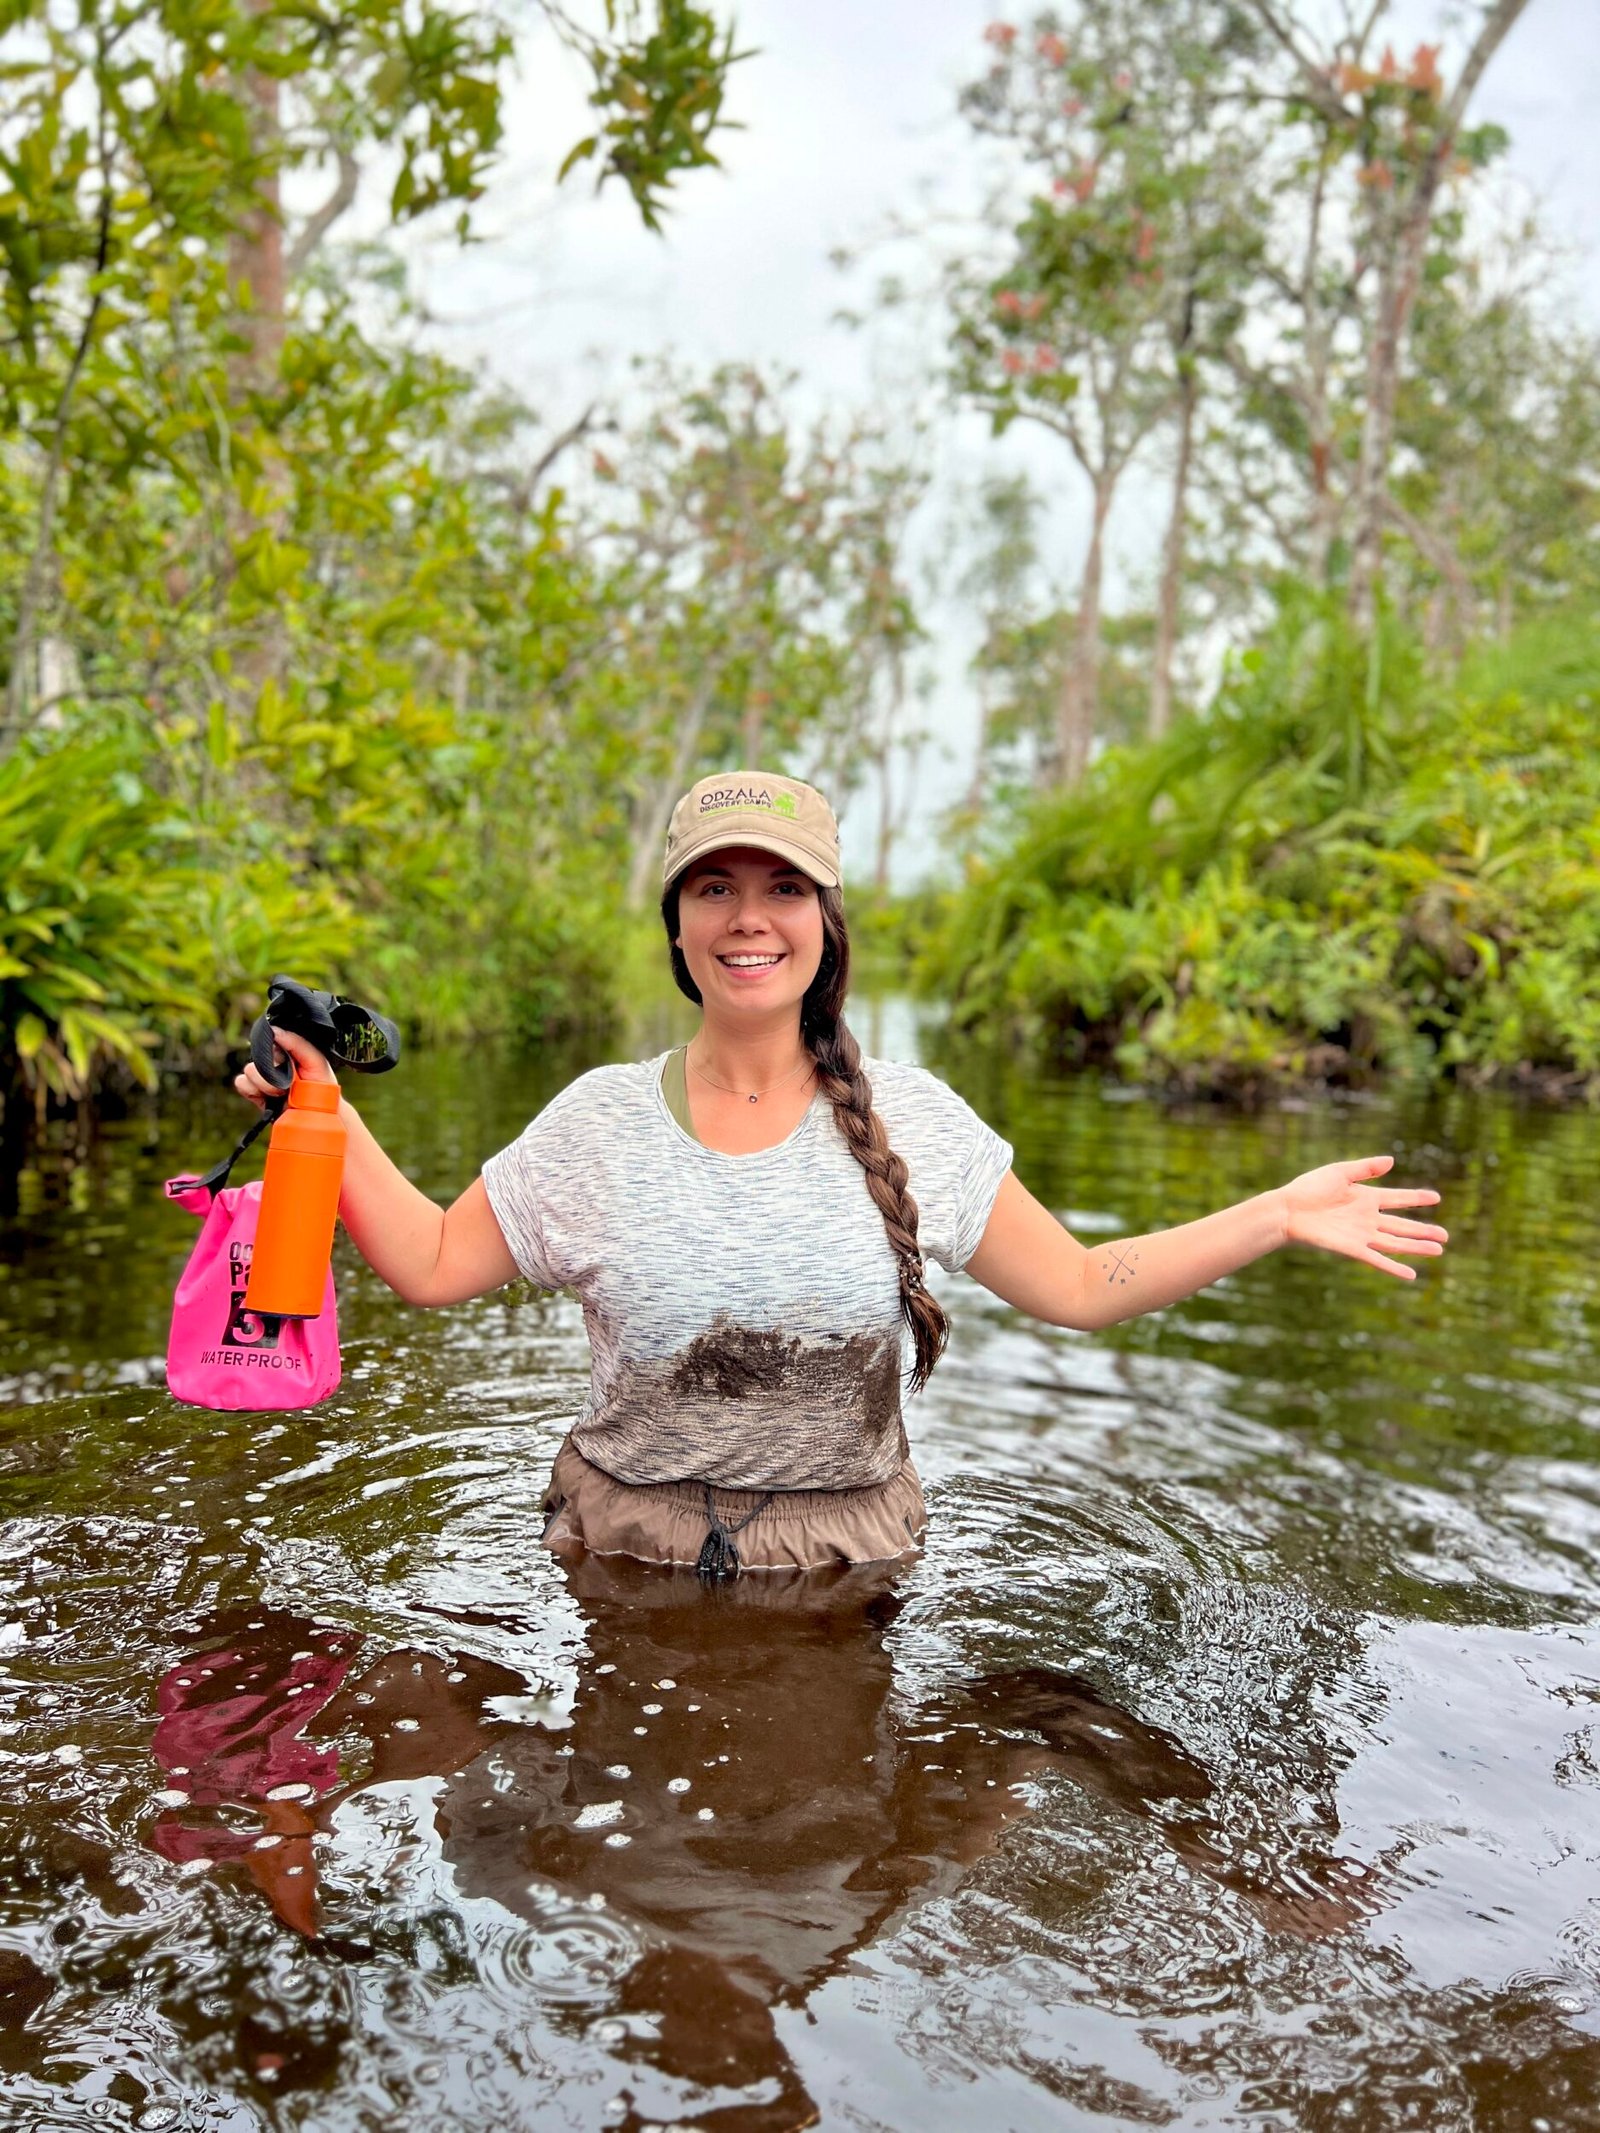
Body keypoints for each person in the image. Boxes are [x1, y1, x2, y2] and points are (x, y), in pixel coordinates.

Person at [234, 770, 1448, 1576]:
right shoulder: (598, 1121)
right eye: (716, 887)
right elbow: (434, 1266)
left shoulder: (914, 1120)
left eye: (781, 888)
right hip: (618, 1557)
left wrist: (1272, 1215)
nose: (747, 918)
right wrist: (323, 1119)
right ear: (676, 925)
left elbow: (1081, 1284)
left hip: (846, 1571)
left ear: (825, 922)